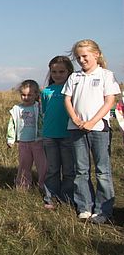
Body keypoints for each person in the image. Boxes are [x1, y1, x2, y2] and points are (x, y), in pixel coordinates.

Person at [63, 39, 119, 224]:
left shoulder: (106, 75)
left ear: (96, 54)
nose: (81, 60)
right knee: (81, 170)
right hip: (76, 129)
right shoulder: (74, 77)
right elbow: (68, 100)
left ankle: (103, 210)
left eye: (85, 56)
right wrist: (76, 119)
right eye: (78, 57)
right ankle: (84, 207)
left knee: (102, 171)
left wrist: (92, 121)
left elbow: (109, 101)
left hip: (99, 129)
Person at [40, 56, 75, 209]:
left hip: (68, 135)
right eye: (54, 71)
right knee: (53, 168)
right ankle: (51, 197)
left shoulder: (73, 88)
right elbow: (45, 111)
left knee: (68, 169)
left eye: (61, 71)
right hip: (49, 135)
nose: (57, 74)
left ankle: (67, 197)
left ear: (69, 71)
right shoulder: (46, 91)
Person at [6, 79, 46, 191]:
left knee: (42, 165)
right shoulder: (16, 109)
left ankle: (44, 185)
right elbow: (12, 125)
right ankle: (23, 186)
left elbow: (45, 121)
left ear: (36, 94)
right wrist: (10, 139)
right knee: (24, 165)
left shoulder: (40, 108)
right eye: (23, 95)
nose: (26, 97)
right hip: (23, 142)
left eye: (29, 95)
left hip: (38, 141)